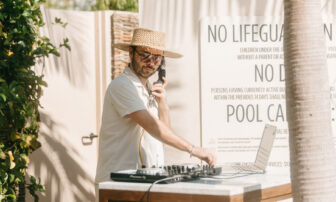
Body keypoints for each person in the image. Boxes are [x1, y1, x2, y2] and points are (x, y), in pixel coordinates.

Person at [95, 28, 215, 186]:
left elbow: (162, 136)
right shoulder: (123, 85)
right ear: (131, 53)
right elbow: (152, 126)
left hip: (144, 181)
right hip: (117, 182)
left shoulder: (148, 89)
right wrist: (193, 149)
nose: (151, 63)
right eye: (145, 55)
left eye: (157, 58)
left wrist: (163, 103)